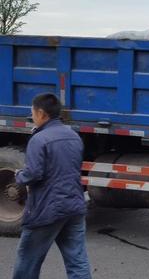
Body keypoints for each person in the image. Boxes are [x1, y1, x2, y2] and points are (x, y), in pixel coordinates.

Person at [11, 93, 91, 279]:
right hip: (74, 206)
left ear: (41, 113)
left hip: (47, 209)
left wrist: (19, 176)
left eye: (32, 112)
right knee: (77, 260)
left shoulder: (39, 139)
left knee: (28, 261)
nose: (32, 116)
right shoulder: (73, 136)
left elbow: (34, 173)